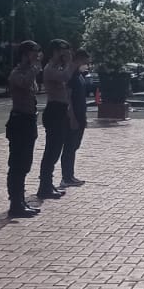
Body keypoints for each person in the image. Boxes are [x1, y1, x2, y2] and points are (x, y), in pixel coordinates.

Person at [5, 41, 42, 218]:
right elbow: (25, 84)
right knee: (17, 164)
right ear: (25, 54)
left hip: (28, 121)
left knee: (25, 163)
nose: (37, 56)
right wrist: (34, 69)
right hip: (19, 121)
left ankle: (20, 199)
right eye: (33, 53)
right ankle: (15, 203)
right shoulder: (17, 73)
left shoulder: (29, 73)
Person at [36, 40, 75, 199]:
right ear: (54, 52)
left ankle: (47, 183)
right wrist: (70, 62)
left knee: (56, 149)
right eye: (61, 51)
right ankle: (44, 186)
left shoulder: (58, 67)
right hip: (54, 110)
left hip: (61, 110)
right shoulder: (50, 68)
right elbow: (66, 76)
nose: (63, 55)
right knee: (51, 150)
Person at [59, 49, 93, 187]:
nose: (88, 64)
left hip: (80, 114)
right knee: (69, 146)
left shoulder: (79, 74)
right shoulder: (72, 75)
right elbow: (68, 97)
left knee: (74, 146)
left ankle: (70, 175)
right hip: (73, 116)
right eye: (86, 60)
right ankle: (66, 176)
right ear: (79, 59)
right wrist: (72, 116)